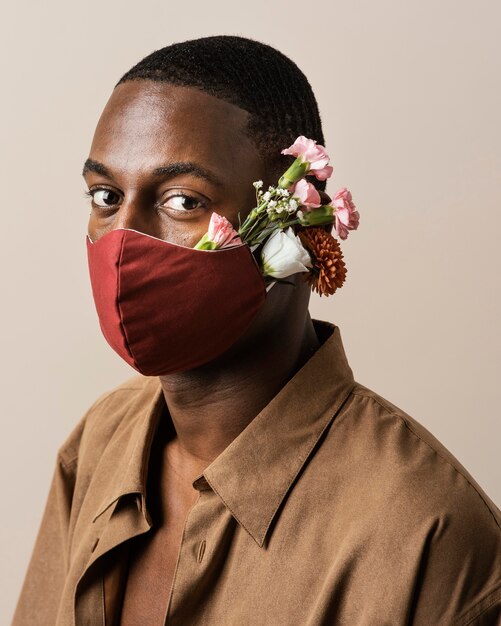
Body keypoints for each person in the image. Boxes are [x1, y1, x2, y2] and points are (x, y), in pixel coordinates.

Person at [11, 35, 501, 626]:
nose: (125, 240)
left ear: (298, 215)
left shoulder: (427, 532)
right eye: (106, 196)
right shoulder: (99, 443)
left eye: (182, 200)